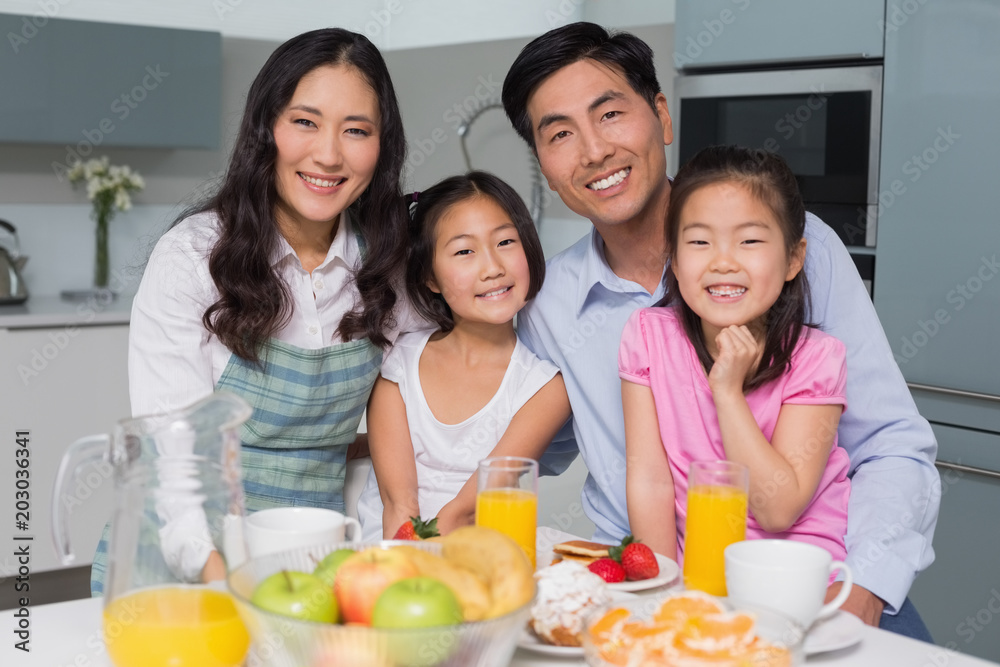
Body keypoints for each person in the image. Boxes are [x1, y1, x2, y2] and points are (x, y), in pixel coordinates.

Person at [501, 22, 939, 639]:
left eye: (610, 113)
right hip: (655, 582)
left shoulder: (802, 254)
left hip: (825, 576)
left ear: (661, 115)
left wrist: (864, 587)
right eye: (560, 134)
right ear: (544, 165)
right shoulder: (548, 304)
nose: (593, 150)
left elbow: (891, 446)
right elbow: (527, 449)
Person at [94, 28, 416, 593]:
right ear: (265, 129)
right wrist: (224, 582)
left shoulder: (388, 264)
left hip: (312, 563)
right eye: (304, 122)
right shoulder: (193, 258)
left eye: (357, 131)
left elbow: (432, 394)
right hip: (189, 562)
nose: (329, 154)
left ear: (382, 146)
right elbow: (173, 460)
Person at [620, 145, 850, 565]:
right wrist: (662, 590)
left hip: (791, 577)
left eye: (749, 240)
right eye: (700, 241)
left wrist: (727, 392)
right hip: (699, 577)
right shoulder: (649, 339)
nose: (723, 262)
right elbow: (650, 482)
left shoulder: (817, 360)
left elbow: (777, 510)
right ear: (673, 256)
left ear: (792, 259)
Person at [356, 171, 571, 540]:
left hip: (478, 551)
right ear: (430, 277)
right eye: (464, 251)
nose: (492, 268)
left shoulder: (545, 388)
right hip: (394, 552)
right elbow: (399, 506)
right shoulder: (398, 364)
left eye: (505, 242)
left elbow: (466, 511)